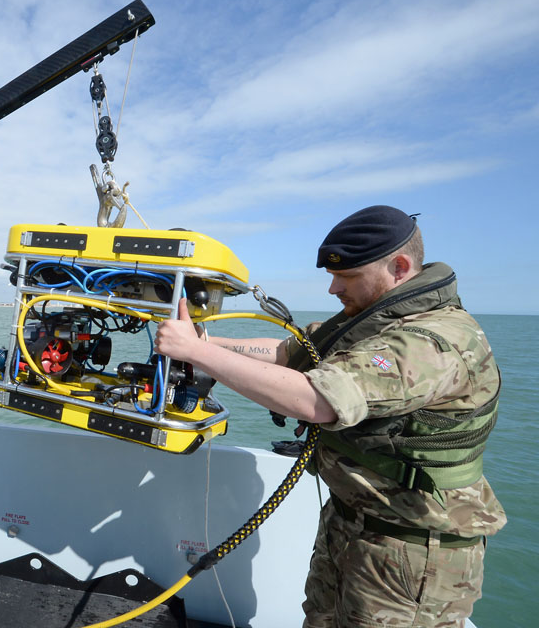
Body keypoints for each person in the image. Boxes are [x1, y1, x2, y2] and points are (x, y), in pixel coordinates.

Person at [154, 205, 504, 627]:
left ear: (400, 266)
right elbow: (288, 355)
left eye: (348, 276)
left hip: (411, 550)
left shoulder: (433, 341)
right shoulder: (373, 319)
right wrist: (203, 341)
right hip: (351, 526)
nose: (333, 288)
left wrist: (195, 352)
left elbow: (317, 400)